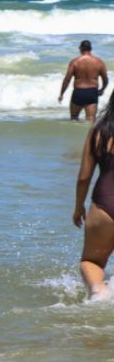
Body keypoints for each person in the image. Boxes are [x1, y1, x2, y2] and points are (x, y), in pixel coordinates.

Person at [74, 98, 114, 300]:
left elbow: (83, 177)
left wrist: (79, 207)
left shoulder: (98, 131)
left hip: (105, 204)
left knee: (92, 261)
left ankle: (98, 291)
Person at [60, 40, 108, 123]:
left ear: (80, 48)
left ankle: (74, 135)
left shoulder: (75, 62)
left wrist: (61, 93)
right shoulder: (99, 62)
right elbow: (106, 80)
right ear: (90, 49)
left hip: (78, 92)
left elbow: (67, 80)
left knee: (74, 119)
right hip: (92, 92)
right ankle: (89, 136)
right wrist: (102, 89)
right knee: (91, 120)